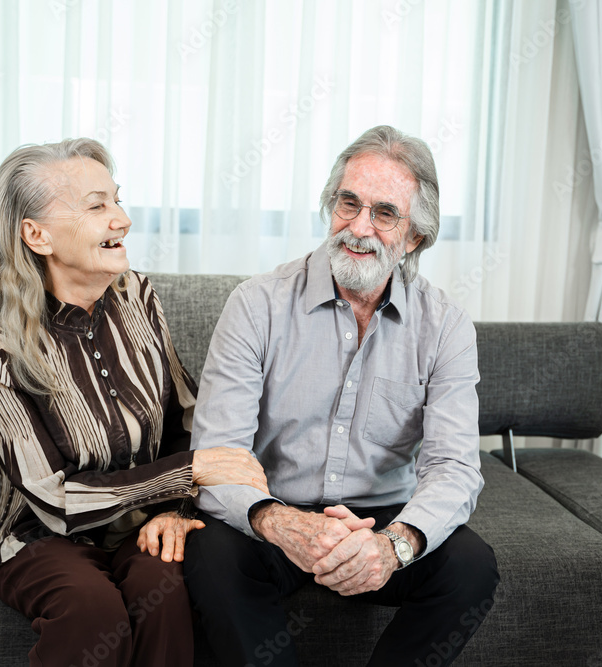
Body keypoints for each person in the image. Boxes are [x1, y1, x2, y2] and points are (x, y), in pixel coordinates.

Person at [0, 138, 267, 667]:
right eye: (97, 206)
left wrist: (178, 509)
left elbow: (185, 418)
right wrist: (186, 475)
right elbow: (53, 500)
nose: (122, 219)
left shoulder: (138, 295)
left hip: (139, 523)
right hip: (39, 538)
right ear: (37, 235)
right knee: (93, 612)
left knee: (166, 590)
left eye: (117, 200)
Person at [184, 125, 500, 666]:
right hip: (272, 511)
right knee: (210, 555)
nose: (358, 227)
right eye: (348, 204)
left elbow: (454, 466)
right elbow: (218, 455)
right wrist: (280, 522)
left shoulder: (445, 325)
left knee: (472, 565)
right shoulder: (255, 304)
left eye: (384, 213)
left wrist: (391, 545)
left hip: (382, 518)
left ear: (414, 237)